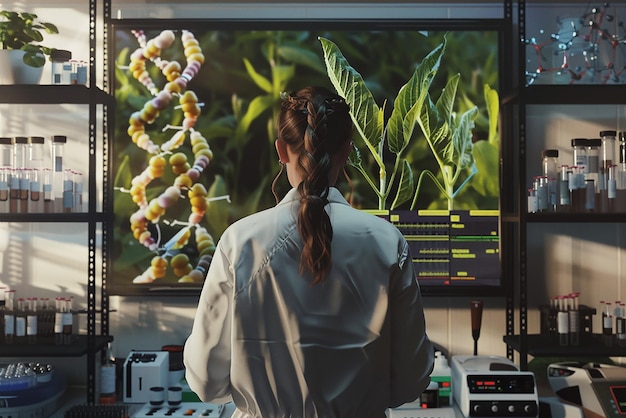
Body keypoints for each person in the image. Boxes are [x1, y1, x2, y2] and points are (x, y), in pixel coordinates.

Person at [183, 85, 433, 418]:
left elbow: (206, 383)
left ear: (281, 151)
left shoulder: (238, 241)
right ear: (346, 151)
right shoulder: (388, 242)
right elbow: (409, 383)